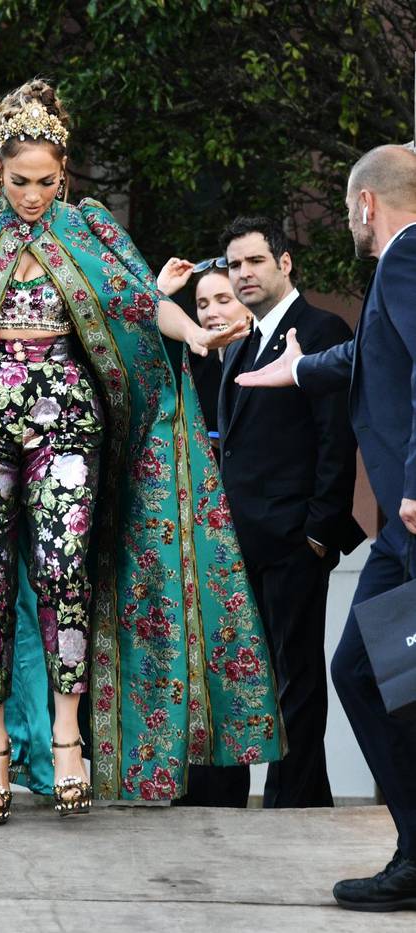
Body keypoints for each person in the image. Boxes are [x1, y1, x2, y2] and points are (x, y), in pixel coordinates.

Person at [0, 78, 284, 825]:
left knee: (66, 566)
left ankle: (69, 735)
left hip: (68, 415)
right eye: (19, 181)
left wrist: (197, 334)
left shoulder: (90, 228)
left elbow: (144, 301)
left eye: (46, 181)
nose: (33, 195)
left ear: (63, 171)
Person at [235, 145, 416, 911]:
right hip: (402, 533)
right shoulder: (400, 267)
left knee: (364, 673)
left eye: (348, 209)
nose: (348, 221)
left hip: (411, 515)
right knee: (367, 673)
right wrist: (299, 370)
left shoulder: (408, 258)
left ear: (367, 205)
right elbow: (372, 360)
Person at [217, 216, 364, 809]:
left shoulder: (321, 328)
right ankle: (291, 794)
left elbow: (337, 440)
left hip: (294, 542)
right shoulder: (242, 339)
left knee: (296, 678)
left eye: (255, 261)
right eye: (234, 265)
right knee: (248, 678)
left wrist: (318, 536)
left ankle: (294, 802)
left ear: (284, 263)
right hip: (240, 542)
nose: (244, 274)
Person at [157, 256, 250, 447]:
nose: (211, 313)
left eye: (224, 301)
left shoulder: (271, 360)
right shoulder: (192, 365)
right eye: (203, 305)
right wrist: (160, 291)